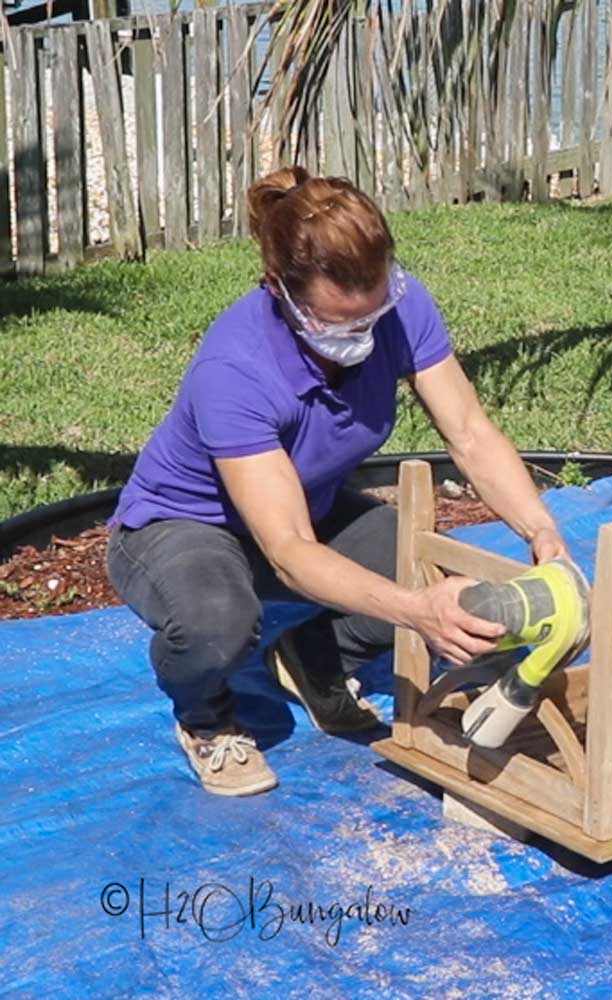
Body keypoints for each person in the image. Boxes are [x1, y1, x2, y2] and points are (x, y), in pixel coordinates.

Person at [105, 166, 569, 797]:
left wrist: (541, 531)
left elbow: (469, 432)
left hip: (305, 508)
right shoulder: (236, 368)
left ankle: (318, 657)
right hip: (187, 525)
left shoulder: (401, 309)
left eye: (372, 314)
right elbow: (289, 550)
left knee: (435, 573)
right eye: (338, 324)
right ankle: (205, 715)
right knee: (217, 624)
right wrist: (415, 615)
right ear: (279, 290)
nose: (362, 335)